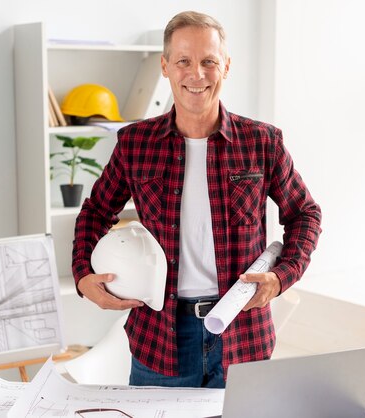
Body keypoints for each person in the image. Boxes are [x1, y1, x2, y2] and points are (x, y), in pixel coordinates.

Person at [72, 10, 321, 388]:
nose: (197, 74)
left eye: (209, 62)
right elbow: (95, 211)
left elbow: (305, 213)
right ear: (165, 67)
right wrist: (82, 276)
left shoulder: (262, 142)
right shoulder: (136, 144)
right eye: (184, 61)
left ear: (226, 67)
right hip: (161, 339)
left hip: (243, 336)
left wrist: (281, 277)